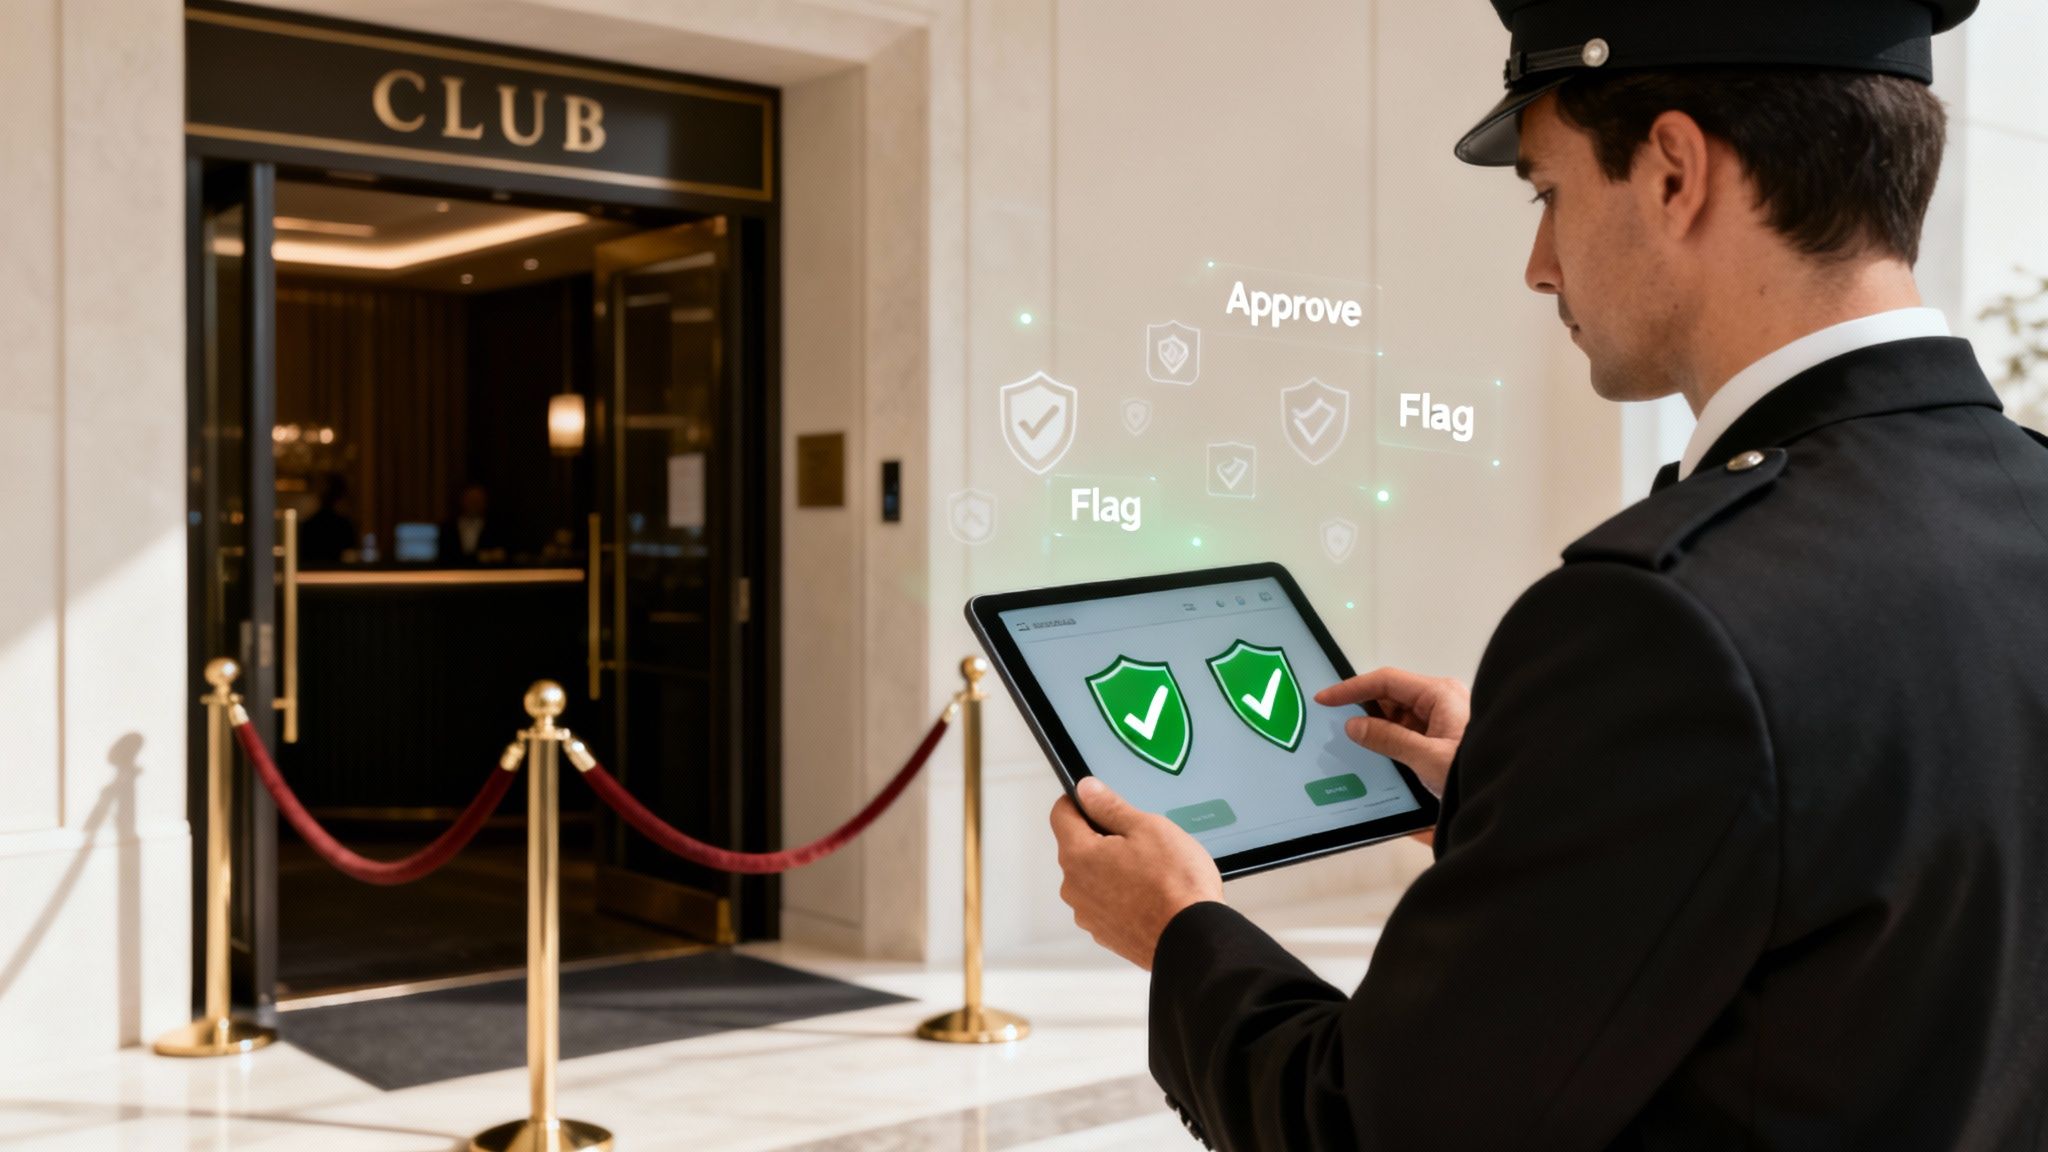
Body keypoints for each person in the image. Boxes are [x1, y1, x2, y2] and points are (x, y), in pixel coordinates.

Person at [1049, 1, 2048, 1148]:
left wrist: (1180, 931)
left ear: (1672, 172)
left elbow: (1370, 1129)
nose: (1536, 266)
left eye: (1546, 194)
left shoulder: (1662, 619)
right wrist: (1535, 795)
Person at [441, 482, 506, 565]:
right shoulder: (447, 527)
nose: (474, 503)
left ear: (485, 502)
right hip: (452, 574)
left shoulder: (497, 528)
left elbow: (502, 555)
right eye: (470, 499)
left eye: (478, 500)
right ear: (462, 500)